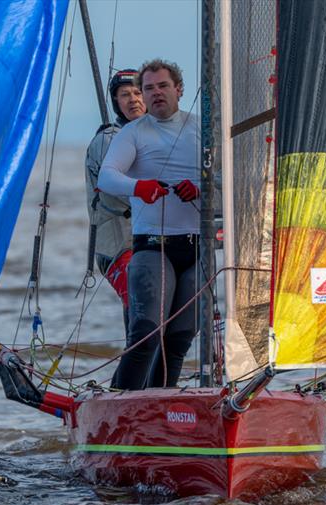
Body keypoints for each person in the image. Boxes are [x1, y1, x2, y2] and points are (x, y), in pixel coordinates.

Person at [97, 59, 200, 390]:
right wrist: (138, 187)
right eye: (149, 88)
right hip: (152, 247)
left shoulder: (200, 127)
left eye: (163, 86)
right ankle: (118, 401)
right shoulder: (133, 133)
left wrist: (201, 188)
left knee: (179, 338)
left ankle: (161, 402)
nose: (155, 94)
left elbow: (234, 176)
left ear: (179, 90)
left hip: (197, 248)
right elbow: (107, 176)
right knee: (147, 333)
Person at [84, 69, 146, 333]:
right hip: (118, 246)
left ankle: (153, 370)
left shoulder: (155, 137)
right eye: (125, 95)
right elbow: (129, 193)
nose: (133, 99)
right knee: (143, 306)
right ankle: (136, 369)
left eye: (137, 92)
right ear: (116, 103)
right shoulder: (108, 140)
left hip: (150, 242)